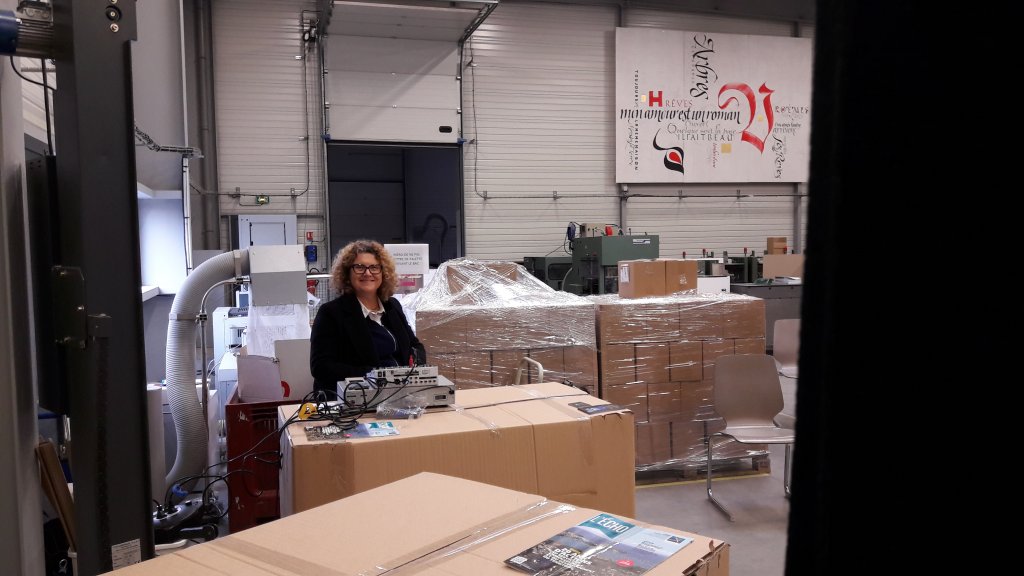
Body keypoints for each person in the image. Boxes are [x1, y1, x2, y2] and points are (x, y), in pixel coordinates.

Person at [310, 240, 426, 394]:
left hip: (401, 393)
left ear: (383, 273)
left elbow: (415, 345)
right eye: (359, 267)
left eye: (374, 267)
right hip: (357, 397)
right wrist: (376, 376)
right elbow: (321, 367)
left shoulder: (392, 306)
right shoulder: (331, 313)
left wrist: (417, 365)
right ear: (347, 273)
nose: (367, 273)